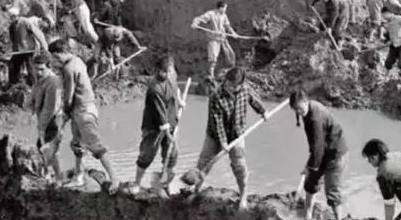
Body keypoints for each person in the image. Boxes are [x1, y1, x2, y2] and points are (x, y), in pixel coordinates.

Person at [189, 67, 268, 210]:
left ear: (239, 85)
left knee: (240, 166)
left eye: (232, 85)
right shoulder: (216, 96)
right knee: (204, 162)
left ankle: (243, 196)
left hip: (237, 135)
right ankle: (195, 189)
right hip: (214, 135)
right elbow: (217, 122)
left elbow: (253, 100)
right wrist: (223, 142)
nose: (228, 86)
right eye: (227, 82)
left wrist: (262, 111)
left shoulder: (245, 90)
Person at [48, 38, 119, 194]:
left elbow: (69, 95)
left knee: (95, 146)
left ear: (62, 52)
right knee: (77, 145)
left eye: (56, 57)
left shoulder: (69, 69)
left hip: (83, 110)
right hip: (81, 108)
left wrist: (65, 113)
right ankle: (79, 177)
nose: (55, 61)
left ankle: (114, 178)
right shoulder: (77, 60)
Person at [289, 88, 348, 220]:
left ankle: (338, 218)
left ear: (306, 102)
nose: (298, 112)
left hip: (335, 153)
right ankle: (308, 215)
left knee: (332, 191)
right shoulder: (307, 110)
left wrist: (309, 167)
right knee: (310, 184)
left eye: (300, 108)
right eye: (295, 109)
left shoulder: (315, 117)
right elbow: (315, 145)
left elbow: (317, 147)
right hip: (321, 151)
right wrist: (310, 167)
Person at [129, 55, 182, 194]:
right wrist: (168, 134)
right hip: (154, 127)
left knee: (171, 156)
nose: (170, 74)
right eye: (167, 71)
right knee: (146, 155)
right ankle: (137, 183)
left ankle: (164, 183)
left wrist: (180, 101)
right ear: (160, 71)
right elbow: (161, 115)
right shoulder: (155, 89)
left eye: (171, 71)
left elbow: (176, 91)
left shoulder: (172, 78)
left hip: (171, 123)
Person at [28, 52, 65, 184]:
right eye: (35, 69)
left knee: (49, 149)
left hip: (53, 120)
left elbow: (51, 108)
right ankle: (49, 175)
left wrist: (41, 127)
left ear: (49, 67)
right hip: (44, 118)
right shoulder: (41, 80)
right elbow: (34, 96)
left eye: (41, 69)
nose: (38, 72)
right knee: (43, 148)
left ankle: (57, 178)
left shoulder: (53, 82)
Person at [191, 1, 237, 79]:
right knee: (213, 57)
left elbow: (228, 26)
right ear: (221, 8)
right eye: (225, 8)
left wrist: (233, 33)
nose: (226, 10)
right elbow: (199, 18)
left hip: (222, 38)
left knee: (230, 54)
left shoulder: (224, 15)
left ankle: (231, 72)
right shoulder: (210, 14)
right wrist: (195, 23)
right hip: (213, 39)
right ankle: (210, 74)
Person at [8, 6, 48, 87]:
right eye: (10, 17)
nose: (11, 18)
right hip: (18, 50)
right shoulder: (12, 26)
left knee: (30, 67)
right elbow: (13, 39)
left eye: (12, 17)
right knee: (13, 65)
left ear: (16, 16)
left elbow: (38, 33)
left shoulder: (25, 22)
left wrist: (44, 46)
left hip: (28, 49)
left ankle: (34, 85)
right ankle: (14, 84)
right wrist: (14, 49)